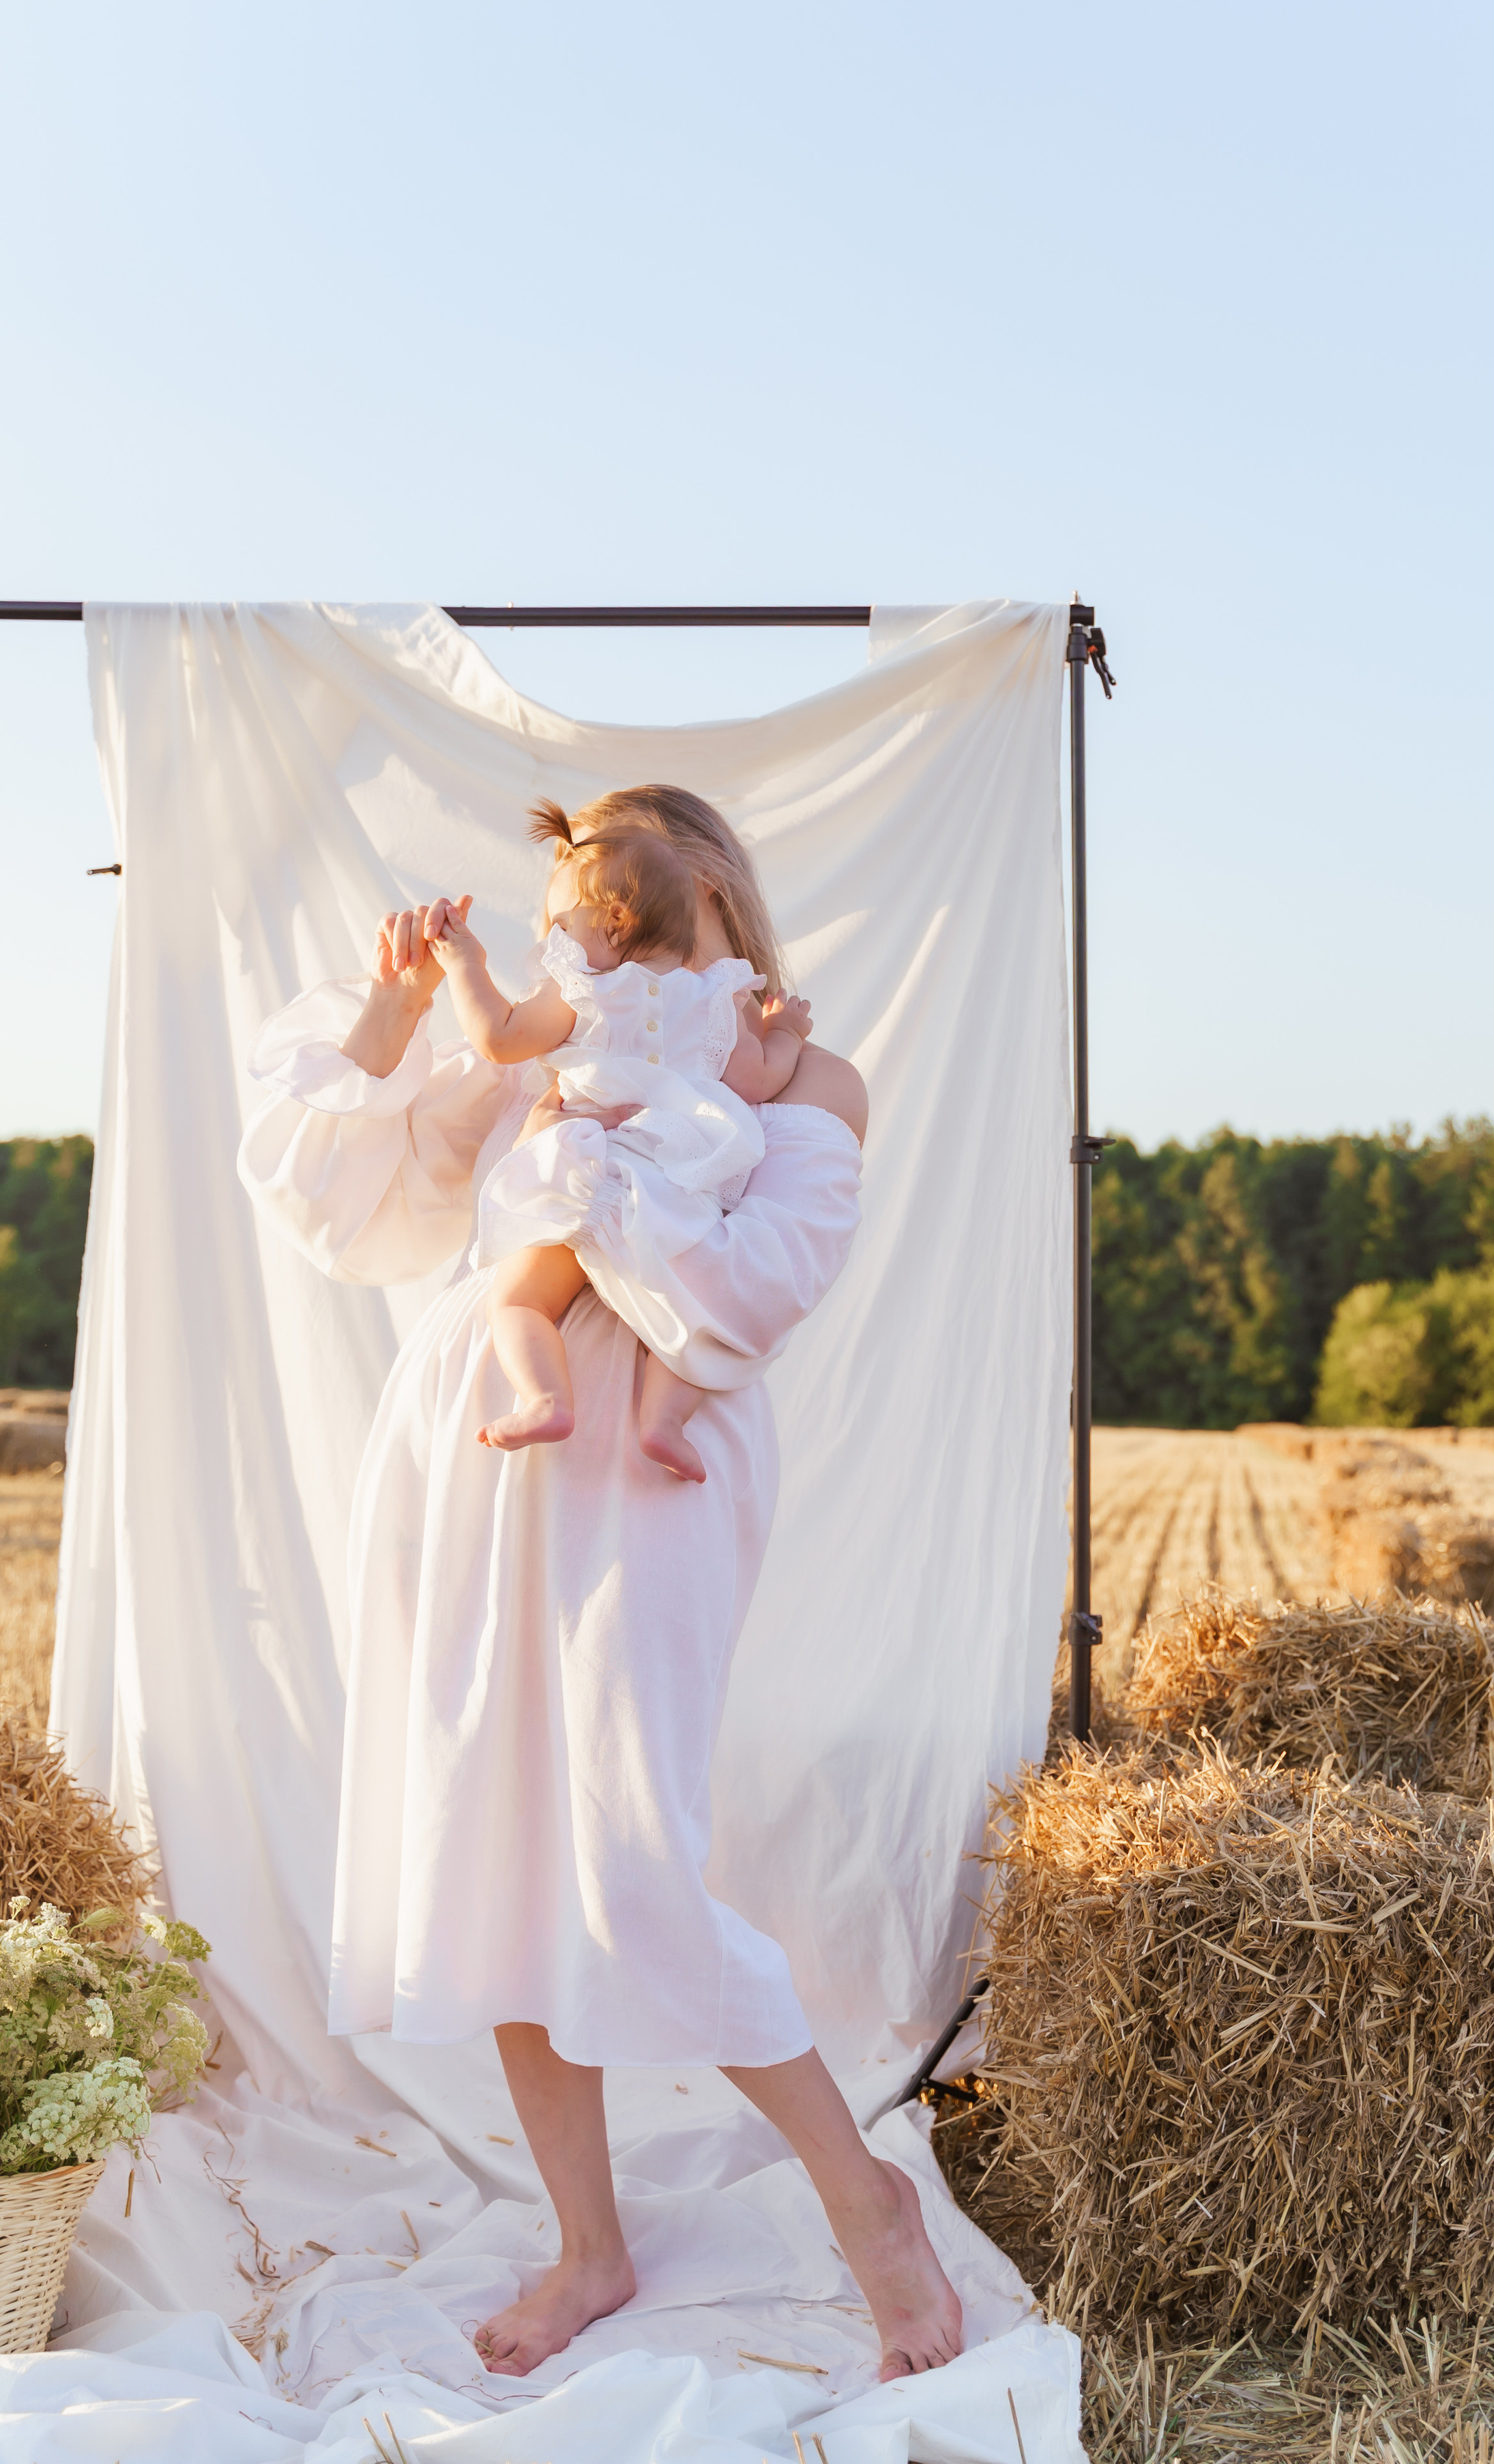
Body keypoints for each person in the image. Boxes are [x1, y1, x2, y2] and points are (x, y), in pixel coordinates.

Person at [238, 783, 962, 2383]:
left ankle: (863, 2201)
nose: (587, 913)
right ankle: (589, 2242)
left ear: (699, 873)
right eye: (573, 896)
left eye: (609, 886)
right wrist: (398, 1004)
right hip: (480, 1435)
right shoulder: (557, 1035)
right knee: (491, 1842)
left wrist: (588, 1168)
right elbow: (337, 1181)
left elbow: (764, 1279)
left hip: (654, 1445)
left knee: (631, 1849)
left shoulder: (793, 1068)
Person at [428, 801, 812, 1477]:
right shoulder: (718, 999)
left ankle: (544, 1397)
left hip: (587, 1175)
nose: (552, 940)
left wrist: (464, 961)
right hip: (677, 1185)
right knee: (696, 1306)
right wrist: (784, 1033)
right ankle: (664, 1421)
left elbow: (498, 1035)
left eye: (559, 925)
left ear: (611, 924)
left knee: (517, 1299)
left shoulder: (582, 992)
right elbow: (757, 1082)